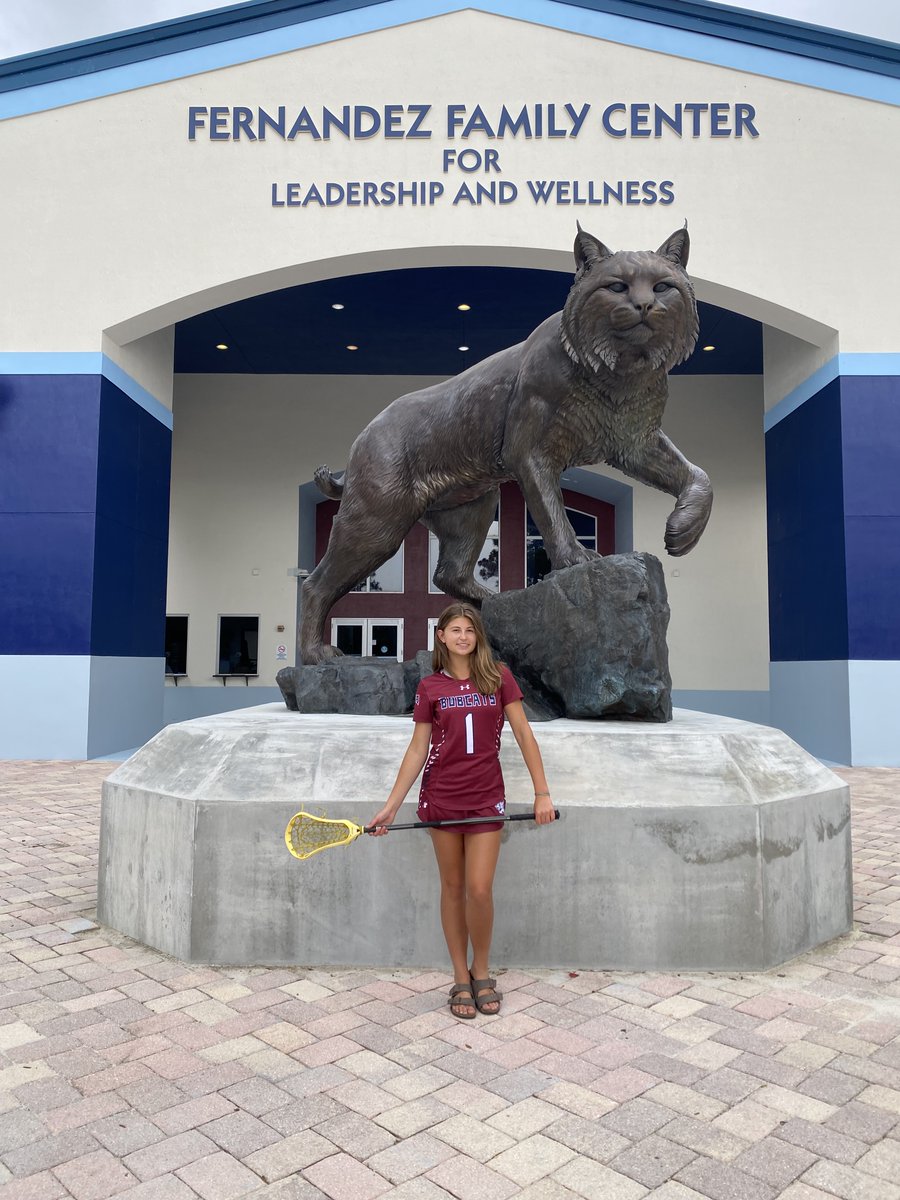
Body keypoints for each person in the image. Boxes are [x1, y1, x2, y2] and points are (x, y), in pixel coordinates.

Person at [369, 602, 555, 1019]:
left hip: (486, 796)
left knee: (479, 889)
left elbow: (523, 733)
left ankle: (481, 970)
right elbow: (417, 749)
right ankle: (459, 976)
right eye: (455, 629)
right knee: (452, 888)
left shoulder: (498, 677)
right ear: (441, 636)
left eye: (469, 630)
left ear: (478, 636)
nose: (463, 637)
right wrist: (391, 807)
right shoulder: (430, 687)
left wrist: (542, 792)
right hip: (442, 798)